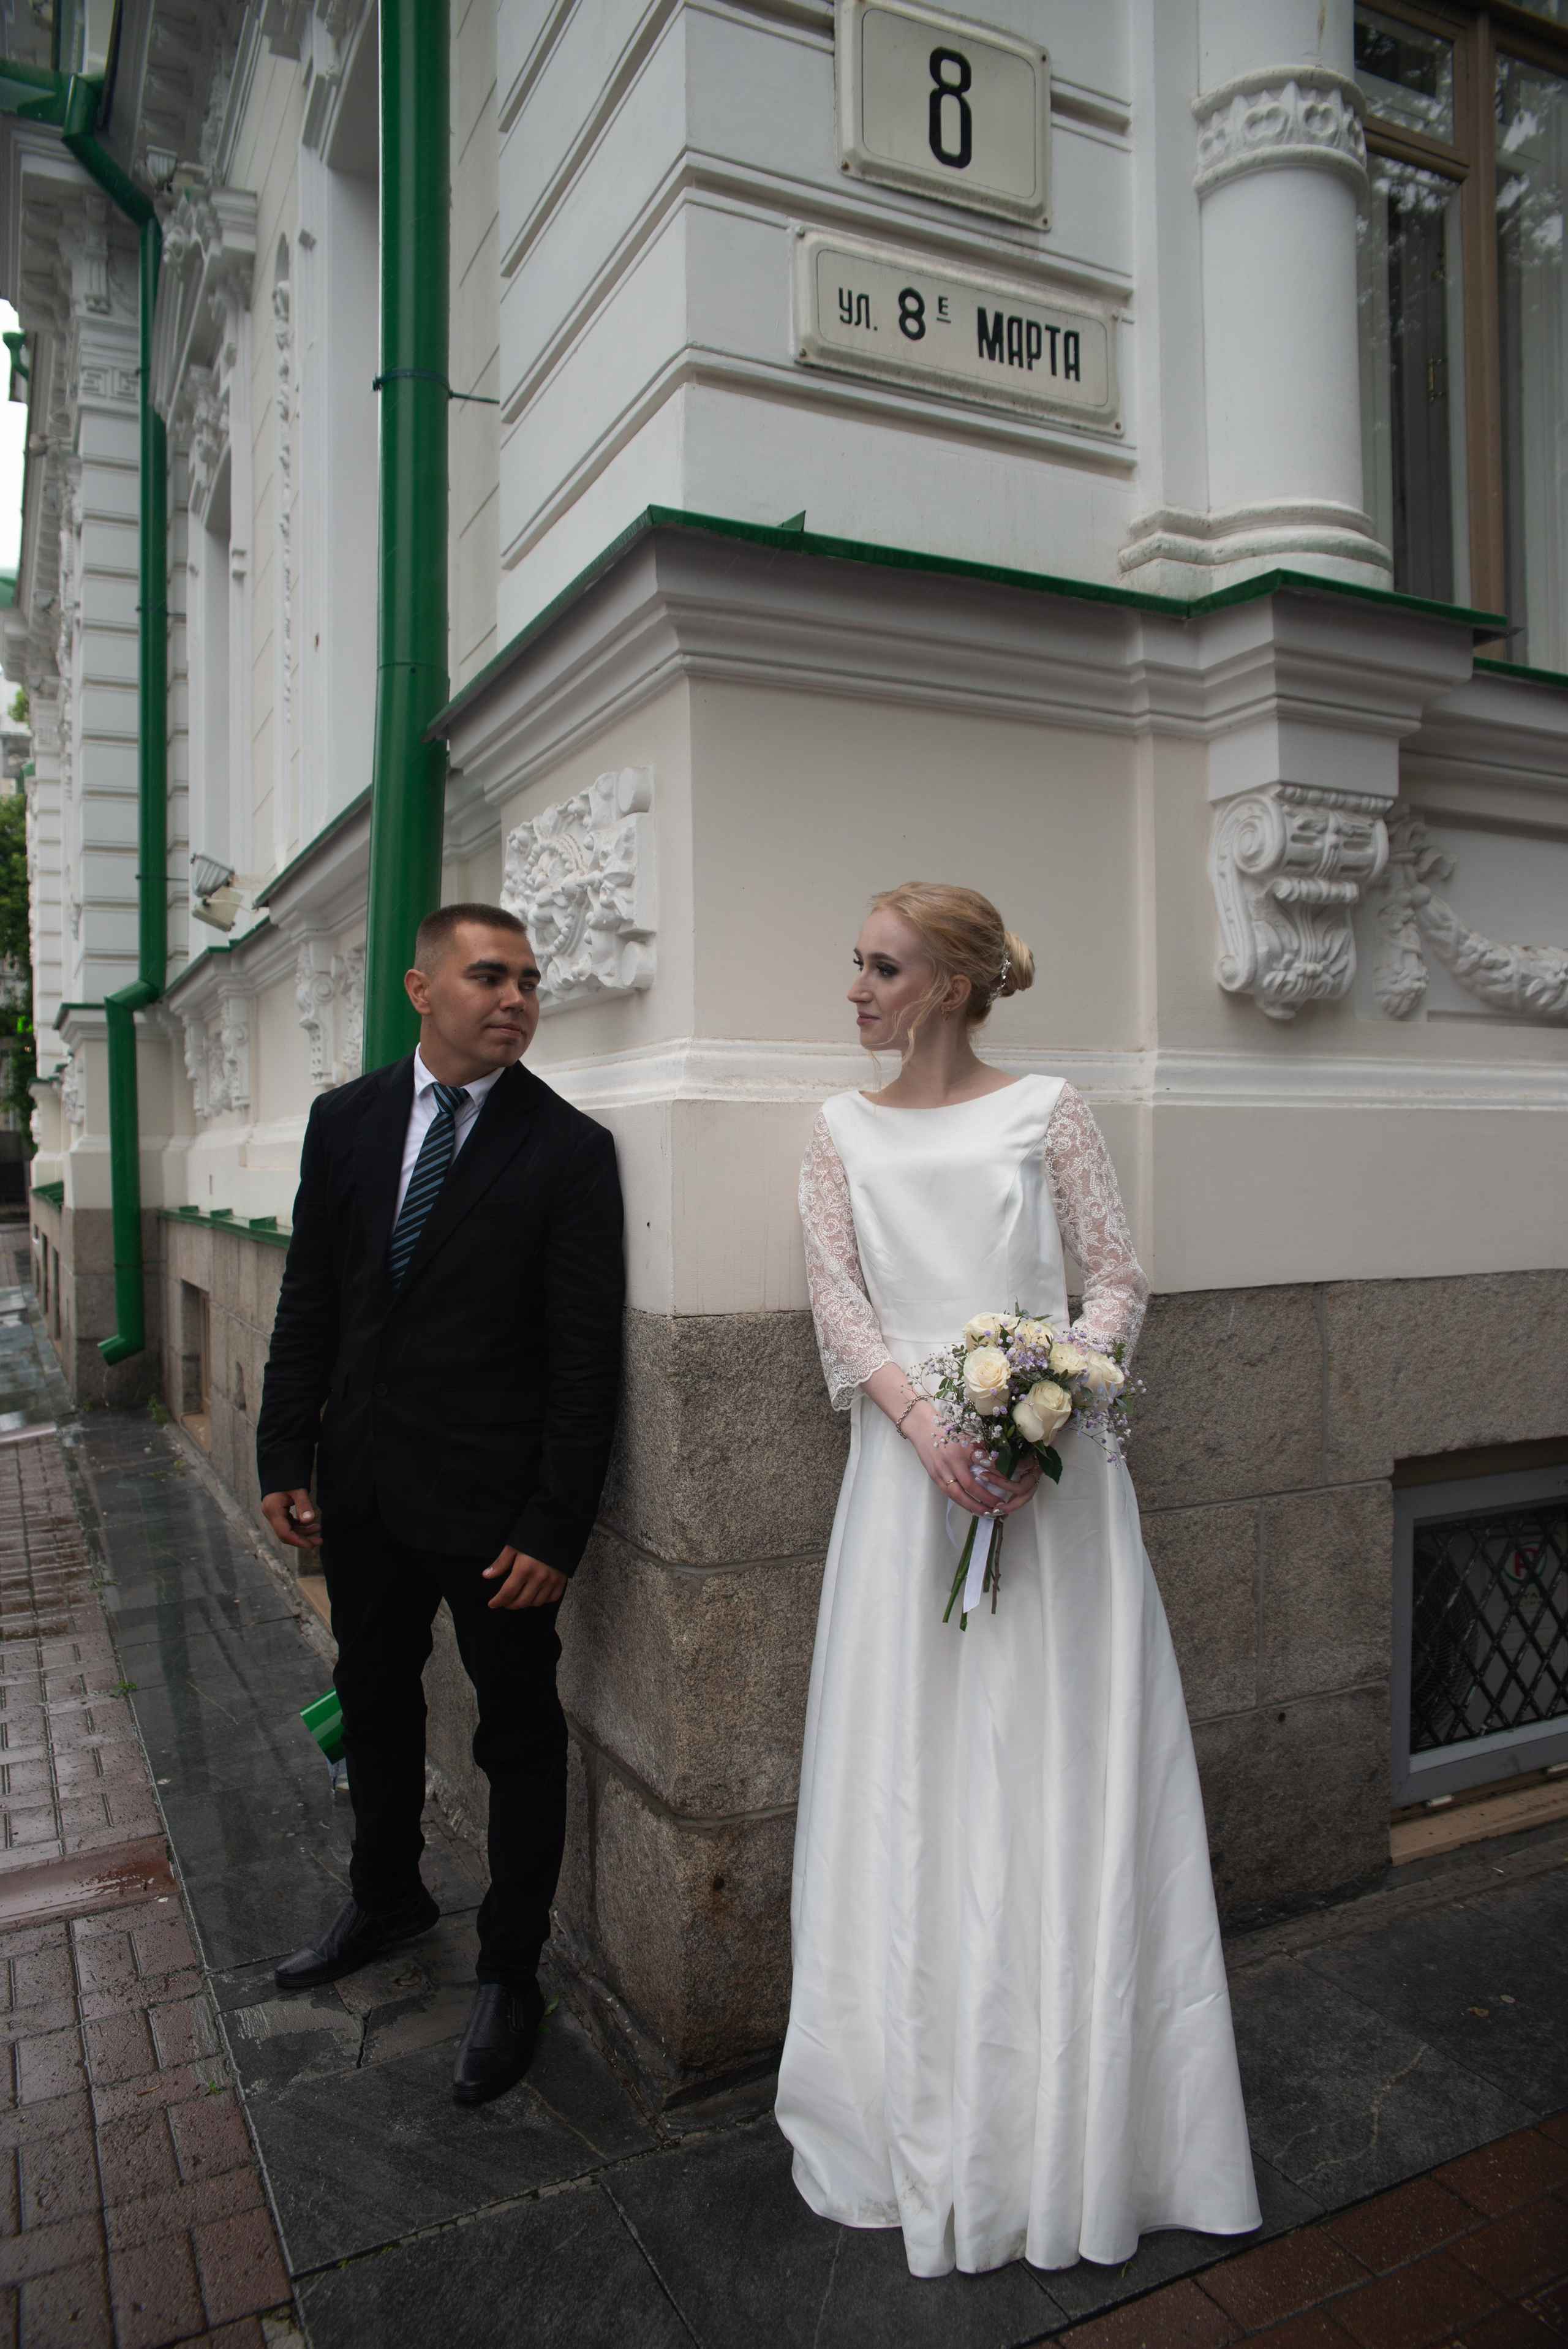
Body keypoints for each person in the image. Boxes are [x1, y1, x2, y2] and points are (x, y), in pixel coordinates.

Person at [775, 883, 1259, 2277]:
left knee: (1057, 1763)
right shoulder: (832, 1132)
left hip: (1054, 1490)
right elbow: (840, 1304)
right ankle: (916, 2095)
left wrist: (1040, 1395)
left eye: (879, 966)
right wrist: (936, 1430)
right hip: (901, 1484)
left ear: (949, 983)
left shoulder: (1047, 1107)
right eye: (856, 961)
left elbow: (1113, 1278)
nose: (855, 988)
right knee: (912, 1768)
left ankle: (1089, 2111)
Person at [255, 903, 624, 2106]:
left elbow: (583, 1362)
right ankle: (387, 1892)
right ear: (421, 987)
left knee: (515, 1733)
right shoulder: (346, 1120)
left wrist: (553, 1524)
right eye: (488, 975)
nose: (515, 997)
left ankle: (509, 1969)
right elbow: (313, 1293)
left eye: (528, 979)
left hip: (495, 1513)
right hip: (360, 1482)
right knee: (371, 1692)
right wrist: (283, 1448)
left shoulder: (566, 1151)